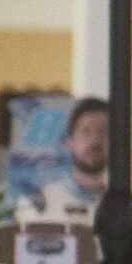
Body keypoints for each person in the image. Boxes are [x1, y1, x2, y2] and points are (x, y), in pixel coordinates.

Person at [27, 96, 111, 224]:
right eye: (86, 131)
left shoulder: (122, 206)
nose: (94, 140)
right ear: (69, 142)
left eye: (103, 132)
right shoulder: (40, 201)